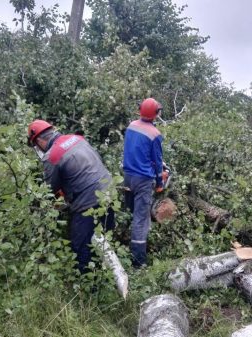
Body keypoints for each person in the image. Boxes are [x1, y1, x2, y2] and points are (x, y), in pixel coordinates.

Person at [27, 119, 115, 273]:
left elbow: (49, 191)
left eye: (35, 145)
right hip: (109, 191)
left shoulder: (51, 156)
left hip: (87, 201)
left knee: (81, 248)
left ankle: (90, 289)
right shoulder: (78, 138)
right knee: (105, 239)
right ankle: (109, 274)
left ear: (39, 140)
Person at [122, 98, 165, 268]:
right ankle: (138, 262)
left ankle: (125, 244)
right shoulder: (155, 134)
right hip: (143, 180)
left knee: (132, 211)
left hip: (127, 175)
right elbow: (157, 159)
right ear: (155, 113)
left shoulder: (131, 126)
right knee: (140, 219)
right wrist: (160, 181)